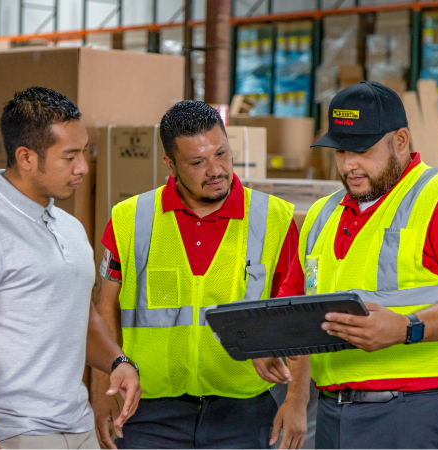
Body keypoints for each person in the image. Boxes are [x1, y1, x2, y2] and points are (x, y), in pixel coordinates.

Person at [275, 81, 438, 450]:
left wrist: (405, 328)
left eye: (363, 150)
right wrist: (295, 398)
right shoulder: (321, 215)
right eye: (340, 151)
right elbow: (299, 314)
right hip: (334, 415)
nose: (349, 165)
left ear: (400, 140)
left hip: (419, 414)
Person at [0, 87, 141, 450]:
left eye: (83, 151)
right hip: (11, 434)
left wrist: (117, 360)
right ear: (26, 157)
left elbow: (76, 313)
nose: (83, 167)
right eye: (69, 156)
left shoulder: (68, 227)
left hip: (77, 425)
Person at [92, 100, 310, 450]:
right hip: (148, 413)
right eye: (197, 162)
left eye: (222, 154)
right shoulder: (130, 219)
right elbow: (105, 309)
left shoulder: (274, 219)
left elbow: (296, 315)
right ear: (170, 163)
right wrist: (103, 394)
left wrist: (297, 400)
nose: (216, 170)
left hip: (245, 413)